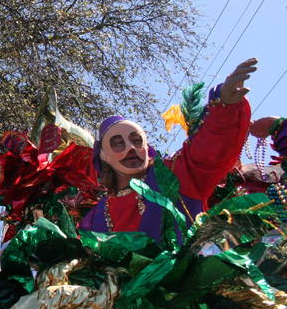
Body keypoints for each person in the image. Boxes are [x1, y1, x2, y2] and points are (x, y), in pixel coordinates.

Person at [79, 58, 257, 243]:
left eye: (137, 140)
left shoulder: (173, 174)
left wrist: (224, 105)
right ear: (104, 156)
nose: (131, 148)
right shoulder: (94, 218)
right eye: (117, 143)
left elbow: (209, 151)